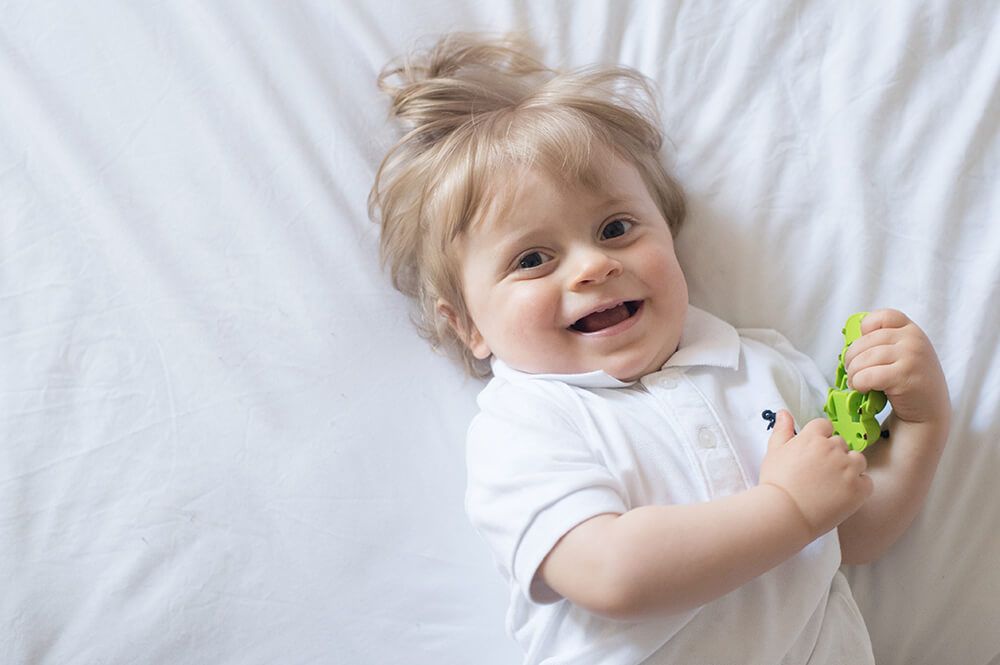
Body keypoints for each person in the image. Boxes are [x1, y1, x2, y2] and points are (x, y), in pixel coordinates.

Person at [368, 33, 950, 665]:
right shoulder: (525, 423)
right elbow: (611, 573)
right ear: (470, 327)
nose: (593, 266)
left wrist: (921, 423)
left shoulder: (762, 368)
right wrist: (785, 507)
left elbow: (853, 532)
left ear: (669, 237)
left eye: (616, 228)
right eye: (532, 259)